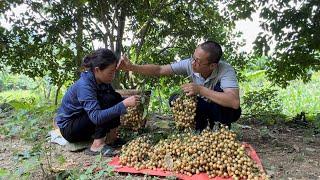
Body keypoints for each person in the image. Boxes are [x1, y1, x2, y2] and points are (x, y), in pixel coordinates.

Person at [119, 40, 241, 130]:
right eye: (193, 57)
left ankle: (221, 127)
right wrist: (132, 67)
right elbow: (160, 70)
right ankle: (197, 129)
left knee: (228, 105)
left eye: (198, 61)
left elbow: (234, 102)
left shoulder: (225, 70)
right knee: (176, 99)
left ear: (212, 65)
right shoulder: (190, 63)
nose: (193, 63)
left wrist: (200, 90)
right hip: (203, 107)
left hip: (219, 109)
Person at [55, 48, 140, 156]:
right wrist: (124, 104)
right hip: (70, 128)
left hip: (84, 119)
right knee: (108, 100)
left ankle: (112, 139)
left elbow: (114, 99)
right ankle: (97, 146)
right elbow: (96, 117)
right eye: (110, 72)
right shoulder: (85, 85)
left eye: (114, 72)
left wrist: (129, 101)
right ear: (97, 70)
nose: (113, 76)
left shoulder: (102, 81)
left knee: (114, 96)